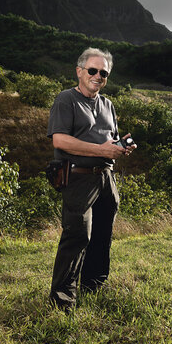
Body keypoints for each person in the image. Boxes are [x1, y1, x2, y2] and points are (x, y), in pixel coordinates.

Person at [47, 47, 136, 310]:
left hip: (106, 178)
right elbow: (60, 140)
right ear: (79, 71)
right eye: (93, 70)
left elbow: (111, 140)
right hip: (78, 178)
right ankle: (62, 301)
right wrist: (101, 150)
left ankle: (93, 288)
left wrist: (121, 147)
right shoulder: (66, 99)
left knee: (102, 236)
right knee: (77, 237)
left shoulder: (108, 104)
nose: (98, 76)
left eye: (104, 73)